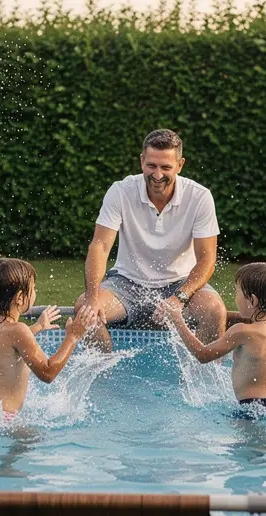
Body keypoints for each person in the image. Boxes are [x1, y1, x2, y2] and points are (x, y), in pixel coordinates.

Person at [74, 128, 227, 351]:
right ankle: (106, 371)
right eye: (151, 166)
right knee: (85, 310)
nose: (157, 175)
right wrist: (92, 297)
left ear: (180, 165)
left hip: (180, 283)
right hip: (126, 283)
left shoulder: (199, 196)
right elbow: (100, 246)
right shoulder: (120, 191)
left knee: (215, 310)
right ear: (141, 161)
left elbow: (207, 259)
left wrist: (180, 297)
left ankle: (205, 373)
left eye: (166, 167)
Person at [155, 262, 266, 413]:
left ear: (253, 300)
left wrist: (177, 320)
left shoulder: (242, 331)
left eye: (238, 293)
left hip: (254, 406)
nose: (235, 298)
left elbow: (203, 355)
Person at [0, 258, 100, 421]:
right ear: (20, 297)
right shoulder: (18, 330)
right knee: (32, 437)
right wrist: (73, 336)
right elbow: (47, 373)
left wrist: (38, 326)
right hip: (4, 419)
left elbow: (7, 347)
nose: (35, 292)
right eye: (33, 288)